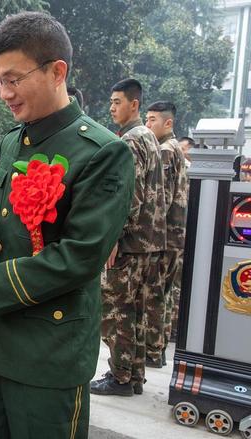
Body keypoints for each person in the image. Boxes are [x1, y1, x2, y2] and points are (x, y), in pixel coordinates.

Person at [0, 12, 134, 438]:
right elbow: (2, 232)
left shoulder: (101, 152)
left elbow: (80, 257)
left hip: (50, 354)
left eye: (14, 79)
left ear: (58, 71)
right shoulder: (12, 141)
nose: (4, 93)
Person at [92, 79, 165, 397]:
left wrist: (114, 236)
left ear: (134, 104)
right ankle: (133, 376)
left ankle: (119, 376)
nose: (112, 107)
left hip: (131, 241)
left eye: (117, 101)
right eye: (110, 101)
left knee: (116, 309)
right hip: (149, 240)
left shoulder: (132, 140)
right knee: (134, 309)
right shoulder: (149, 136)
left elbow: (129, 195)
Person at [144, 101, 187, 367]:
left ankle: (152, 351)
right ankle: (157, 350)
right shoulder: (175, 150)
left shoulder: (165, 151)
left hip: (164, 236)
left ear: (167, 123)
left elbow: (162, 198)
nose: (148, 125)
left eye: (152, 120)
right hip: (175, 236)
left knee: (154, 294)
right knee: (164, 293)